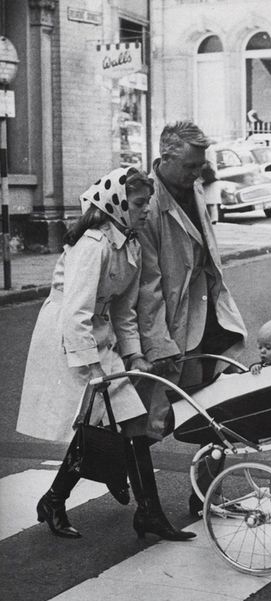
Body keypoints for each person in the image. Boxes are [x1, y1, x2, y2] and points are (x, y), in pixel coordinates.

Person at [16, 166, 195, 542]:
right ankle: (65, 500)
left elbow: (123, 312)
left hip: (101, 333)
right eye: (139, 203)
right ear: (116, 202)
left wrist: (133, 356)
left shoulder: (129, 244)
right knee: (97, 421)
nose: (146, 210)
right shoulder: (93, 245)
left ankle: (143, 512)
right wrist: (93, 369)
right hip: (69, 337)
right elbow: (75, 312)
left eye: (147, 203)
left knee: (126, 420)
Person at [137, 120, 247, 516]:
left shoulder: (194, 185)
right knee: (152, 420)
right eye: (190, 167)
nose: (198, 173)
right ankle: (73, 480)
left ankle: (204, 496)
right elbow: (148, 287)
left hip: (210, 317)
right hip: (174, 325)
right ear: (165, 158)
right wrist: (157, 342)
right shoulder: (147, 206)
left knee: (218, 410)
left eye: (201, 166)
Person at [201, 144, 220, 225]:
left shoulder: (206, 149)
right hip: (212, 175)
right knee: (212, 201)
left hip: (207, 175)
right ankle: (214, 218)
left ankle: (211, 218)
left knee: (207, 199)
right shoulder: (211, 149)